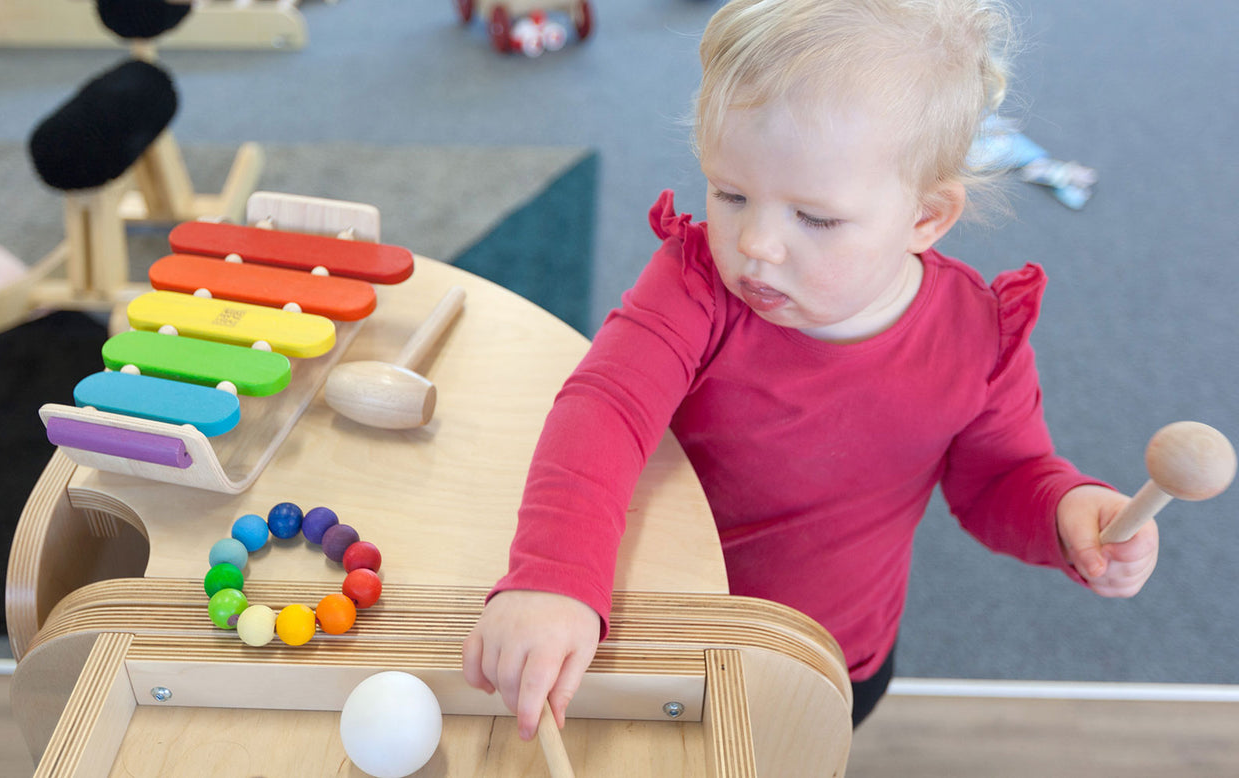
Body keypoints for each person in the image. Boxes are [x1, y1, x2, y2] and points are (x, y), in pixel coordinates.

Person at [462, 0, 1158, 737]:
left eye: (815, 218)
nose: (757, 244)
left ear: (926, 217)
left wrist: (1065, 512)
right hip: (658, 630)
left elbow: (1001, 478)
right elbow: (604, 410)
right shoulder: (698, 283)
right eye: (731, 194)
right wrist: (553, 575)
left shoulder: (978, 337)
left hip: (830, 658)